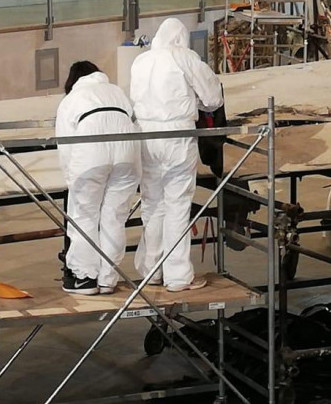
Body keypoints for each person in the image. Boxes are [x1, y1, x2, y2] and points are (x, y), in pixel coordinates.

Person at [130, 18, 223, 292]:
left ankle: (151, 270)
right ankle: (179, 276)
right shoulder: (184, 57)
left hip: (145, 135)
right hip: (176, 136)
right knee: (177, 205)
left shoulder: (140, 62)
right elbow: (213, 98)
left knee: (152, 204)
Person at [55, 62, 141, 296]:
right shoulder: (117, 92)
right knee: (114, 217)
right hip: (128, 154)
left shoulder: (71, 100)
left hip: (91, 155)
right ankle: (108, 279)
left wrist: (71, 179)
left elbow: (65, 144)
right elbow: (136, 125)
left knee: (84, 215)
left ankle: (84, 278)